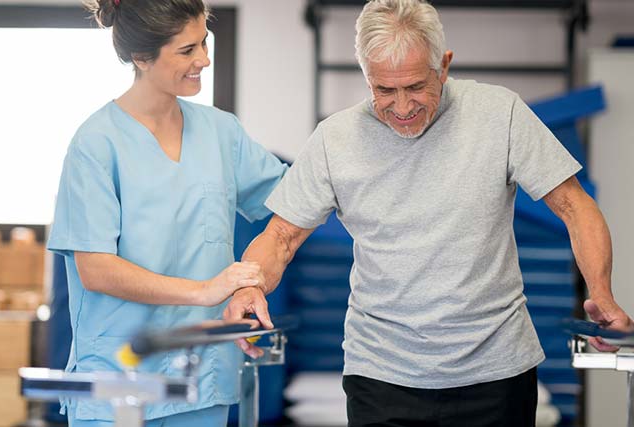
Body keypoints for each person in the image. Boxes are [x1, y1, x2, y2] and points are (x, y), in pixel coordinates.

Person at [223, 0, 633, 425]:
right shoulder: (334, 140)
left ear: (445, 65)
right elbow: (280, 237)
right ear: (366, 76)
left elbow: (575, 206)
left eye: (416, 86)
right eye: (384, 90)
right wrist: (249, 287)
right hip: (381, 375)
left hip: (496, 372)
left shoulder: (500, 114)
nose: (402, 108)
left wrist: (600, 292)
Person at [46, 0, 286, 426]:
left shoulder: (221, 133)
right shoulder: (96, 144)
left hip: (204, 377)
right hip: (120, 381)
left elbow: (292, 201)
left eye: (205, 43)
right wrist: (206, 291)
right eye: (187, 50)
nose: (204, 59)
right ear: (142, 57)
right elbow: (96, 269)